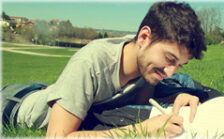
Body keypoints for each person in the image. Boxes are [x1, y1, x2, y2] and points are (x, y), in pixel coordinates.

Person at [2, 1, 209, 138]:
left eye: (179, 65)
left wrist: (175, 99)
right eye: (169, 59)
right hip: (14, 103)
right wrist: (143, 130)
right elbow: (58, 137)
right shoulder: (91, 62)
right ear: (144, 38)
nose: (171, 72)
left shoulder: (148, 67)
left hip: (47, 91)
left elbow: (142, 105)